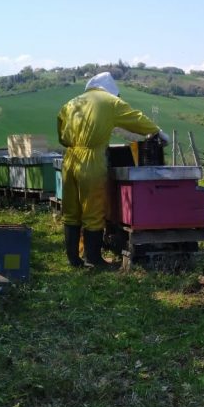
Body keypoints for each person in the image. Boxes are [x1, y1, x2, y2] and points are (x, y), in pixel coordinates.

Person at [57, 72, 165, 268]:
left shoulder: (71, 103)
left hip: (69, 159)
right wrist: (156, 131)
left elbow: (62, 137)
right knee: (93, 210)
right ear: (110, 89)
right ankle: (93, 259)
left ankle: (73, 259)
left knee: (71, 211)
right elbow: (135, 118)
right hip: (91, 160)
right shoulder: (110, 102)